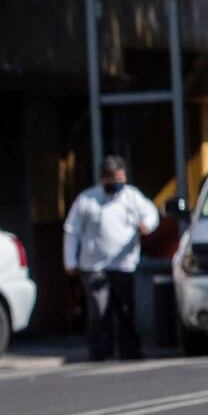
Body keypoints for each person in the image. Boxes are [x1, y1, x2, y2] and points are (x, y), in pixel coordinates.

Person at [64, 155, 160, 361]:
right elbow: (72, 230)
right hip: (94, 266)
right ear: (102, 179)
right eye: (111, 178)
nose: (116, 182)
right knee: (100, 310)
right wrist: (70, 260)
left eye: (119, 177)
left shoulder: (131, 197)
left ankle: (130, 350)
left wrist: (147, 225)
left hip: (124, 265)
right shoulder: (87, 200)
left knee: (125, 309)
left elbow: (151, 213)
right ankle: (100, 350)